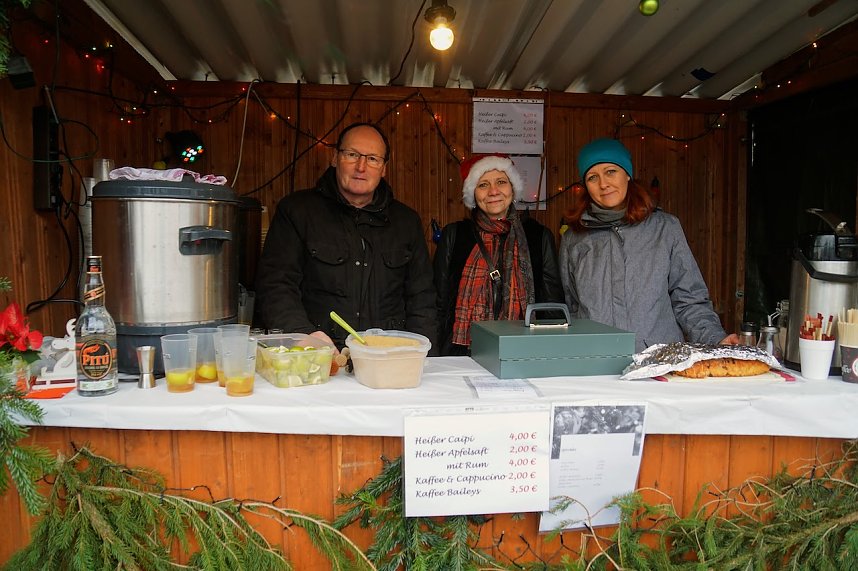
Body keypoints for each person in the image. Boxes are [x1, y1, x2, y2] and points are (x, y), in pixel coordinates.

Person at [255, 122, 436, 350]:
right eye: (352, 155)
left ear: (384, 168)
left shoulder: (406, 221)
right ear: (335, 158)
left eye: (372, 159)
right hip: (319, 355)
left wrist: (423, 355)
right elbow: (276, 284)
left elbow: (422, 298)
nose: (361, 167)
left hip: (388, 356)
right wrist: (304, 336)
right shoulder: (297, 211)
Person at [559, 138, 738, 352]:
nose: (603, 184)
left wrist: (715, 338)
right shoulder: (574, 239)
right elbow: (571, 308)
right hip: (597, 359)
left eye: (611, 172)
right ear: (586, 186)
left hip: (659, 358)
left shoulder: (665, 228)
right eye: (592, 177)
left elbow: (688, 299)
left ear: (627, 174)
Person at [433, 153, 563, 355]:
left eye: (501, 182)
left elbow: (551, 303)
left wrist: (551, 354)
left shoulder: (538, 236)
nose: (493, 191)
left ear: (512, 187)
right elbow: (438, 300)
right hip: (461, 351)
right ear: (473, 193)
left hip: (524, 350)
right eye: (483, 185)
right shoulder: (454, 234)